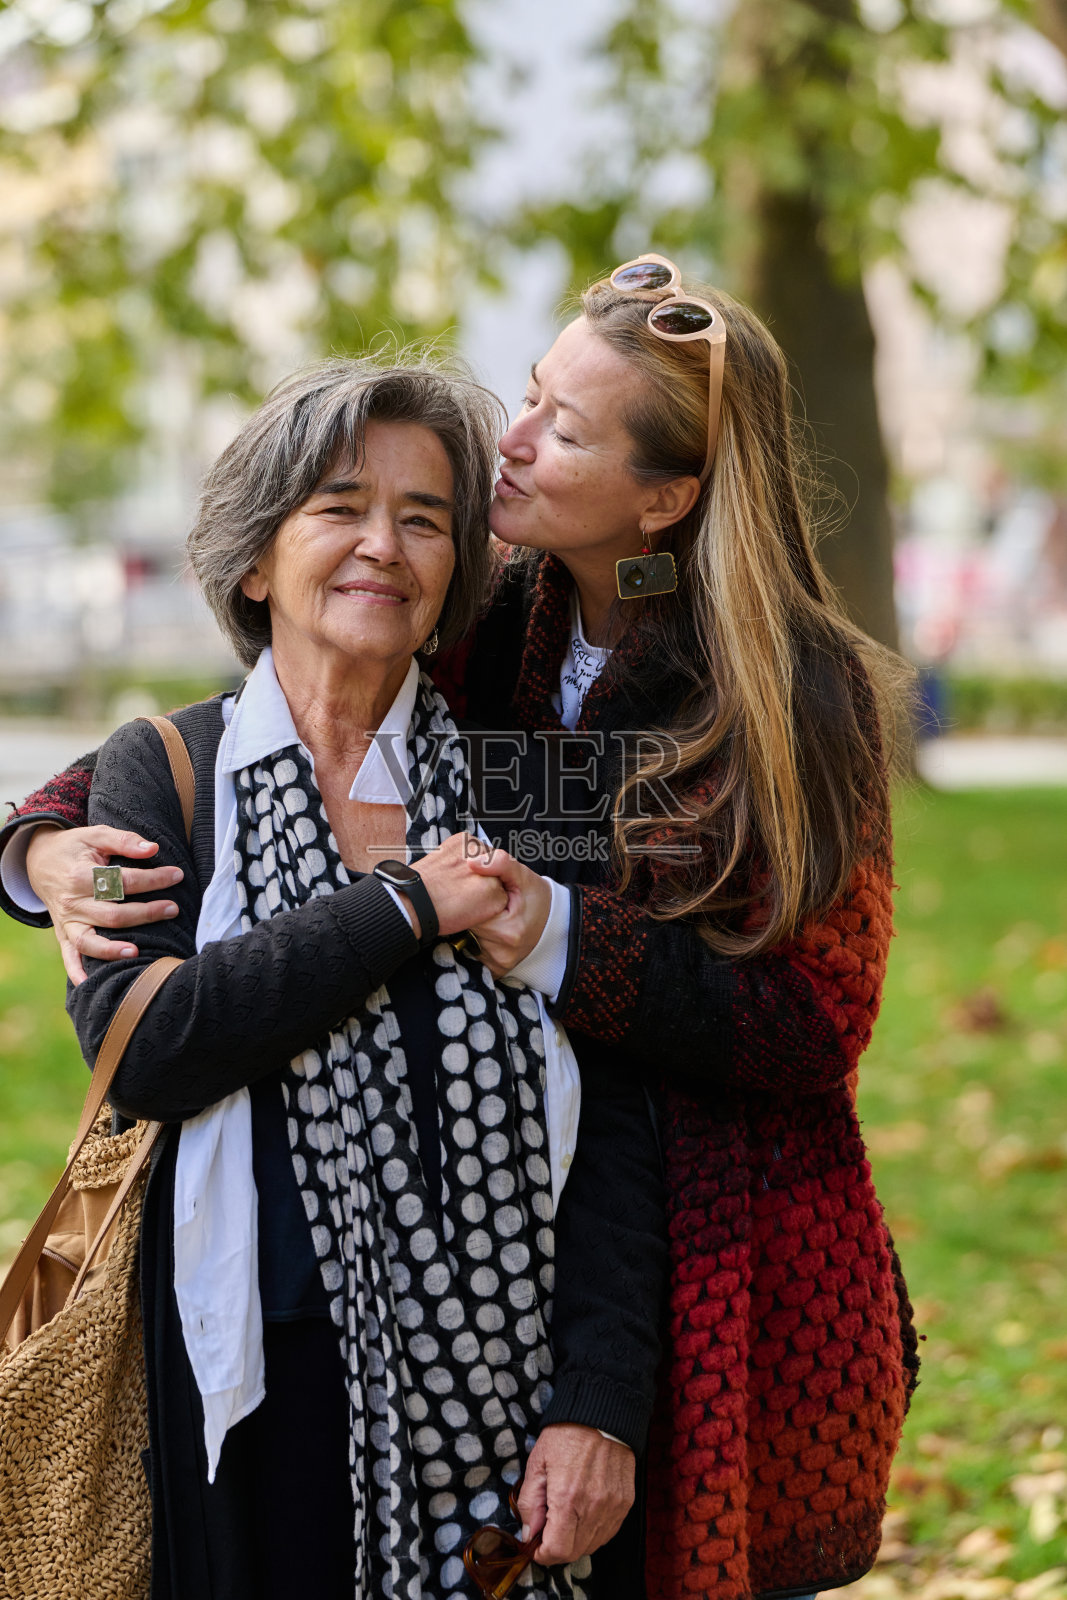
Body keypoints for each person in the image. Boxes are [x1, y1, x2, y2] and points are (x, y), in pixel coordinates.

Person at [1, 255, 919, 1600]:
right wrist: (36, 846)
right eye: (531, 392)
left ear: (660, 499)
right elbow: (274, 701)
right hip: (438, 1280)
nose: (514, 439)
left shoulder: (786, 692)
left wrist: (554, 938)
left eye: (563, 425)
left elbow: (807, 1024)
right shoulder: (506, 616)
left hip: (726, 1259)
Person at [2, 357, 667, 1600]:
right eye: (339, 506)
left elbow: (618, 1118)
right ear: (256, 561)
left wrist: (600, 1403)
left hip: (509, 1403)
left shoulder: (528, 784)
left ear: (454, 575)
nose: (384, 545)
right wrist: (403, 907)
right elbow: (152, 1047)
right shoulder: (164, 772)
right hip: (246, 1389)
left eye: (423, 519)